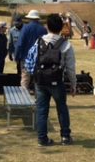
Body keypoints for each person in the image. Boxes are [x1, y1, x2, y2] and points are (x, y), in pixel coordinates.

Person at [25, 13, 76, 146]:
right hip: (57, 81)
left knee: (42, 109)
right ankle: (65, 137)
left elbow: (29, 61)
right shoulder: (66, 45)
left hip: (40, 81)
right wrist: (73, 84)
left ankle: (42, 138)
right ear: (61, 27)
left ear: (47, 26)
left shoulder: (39, 41)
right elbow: (70, 68)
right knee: (62, 108)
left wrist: (32, 76)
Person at [14, 10, 46, 90]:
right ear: (37, 19)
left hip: (26, 57)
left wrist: (17, 56)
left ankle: (24, 99)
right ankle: (38, 99)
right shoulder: (43, 29)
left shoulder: (25, 28)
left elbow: (20, 44)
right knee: (38, 79)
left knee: (25, 78)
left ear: (29, 18)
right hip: (39, 57)